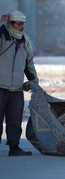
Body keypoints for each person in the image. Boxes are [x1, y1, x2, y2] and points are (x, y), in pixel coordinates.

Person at [0, 10, 39, 156]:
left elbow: (29, 64)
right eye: (19, 23)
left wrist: (33, 81)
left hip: (16, 89)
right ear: (10, 23)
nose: (22, 27)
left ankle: (14, 147)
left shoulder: (25, 41)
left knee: (15, 119)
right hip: (1, 86)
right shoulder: (2, 37)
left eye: (23, 24)